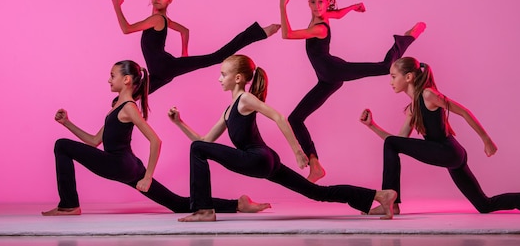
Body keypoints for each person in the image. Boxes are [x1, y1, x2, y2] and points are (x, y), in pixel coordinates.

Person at [168, 54, 398, 222]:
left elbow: (278, 116)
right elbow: (203, 141)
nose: (219, 78)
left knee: (198, 149)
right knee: (318, 193)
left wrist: (298, 151)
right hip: (266, 161)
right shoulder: (228, 111)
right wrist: (179, 123)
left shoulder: (245, 99)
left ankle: (205, 210)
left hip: (257, 159)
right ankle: (379, 196)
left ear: (238, 78)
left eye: (223, 74)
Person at [42, 60, 269, 216]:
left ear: (128, 80)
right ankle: (237, 204)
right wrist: (67, 123)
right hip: (127, 166)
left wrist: (148, 177)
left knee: (61, 145)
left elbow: (155, 141)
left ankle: (69, 205)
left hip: (120, 164)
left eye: (113, 76)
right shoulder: (117, 107)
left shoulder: (129, 107)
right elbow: (93, 141)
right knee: (178, 204)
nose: (109, 80)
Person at [360, 56, 520, 215]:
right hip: (452, 155)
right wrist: (372, 126)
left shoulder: (428, 94)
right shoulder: (413, 109)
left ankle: (391, 202)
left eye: (393, 77)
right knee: (484, 205)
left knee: (392, 145)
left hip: (447, 151)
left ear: (409, 77)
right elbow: (397, 142)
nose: (390, 82)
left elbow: (464, 111)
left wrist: (486, 140)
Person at [279, 0, 425, 182]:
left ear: (326, 3)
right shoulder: (322, 15)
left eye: (321, 2)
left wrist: (282, 4)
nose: (317, 6)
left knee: (385, 67)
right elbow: (337, 13)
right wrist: (354, 7)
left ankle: (408, 37)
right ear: (309, 4)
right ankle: (315, 165)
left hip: (333, 70)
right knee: (296, 118)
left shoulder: (318, 27)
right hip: (326, 79)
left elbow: (287, 34)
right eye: (313, 2)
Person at [112, 0, 280, 94]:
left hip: (165, 68)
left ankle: (259, 32)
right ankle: (105, 130)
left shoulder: (156, 19)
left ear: (170, 0)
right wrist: (184, 54)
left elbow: (127, 29)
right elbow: (185, 31)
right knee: (130, 97)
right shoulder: (162, 19)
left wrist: (116, 6)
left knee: (217, 57)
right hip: (161, 72)